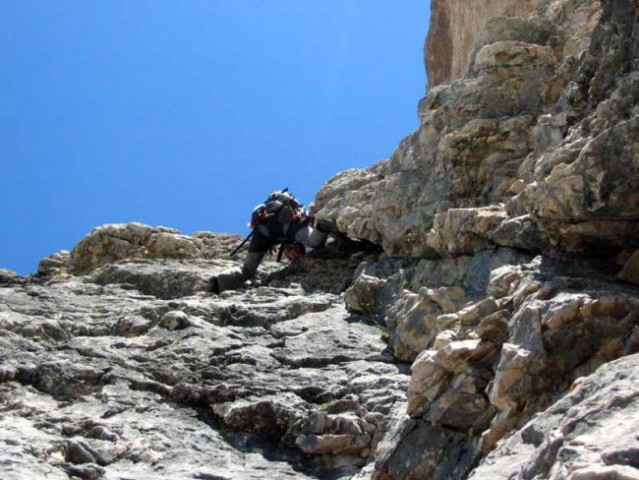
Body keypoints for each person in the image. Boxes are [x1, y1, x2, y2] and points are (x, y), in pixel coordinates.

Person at [209, 189, 340, 294]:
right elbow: (311, 239)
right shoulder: (295, 231)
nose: (293, 256)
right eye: (292, 252)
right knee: (315, 242)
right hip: (287, 223)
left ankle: (217, 283)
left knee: (247, 271)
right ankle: (323, 225)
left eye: (291, 254)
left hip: (263, 229)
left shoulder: (269, 227)